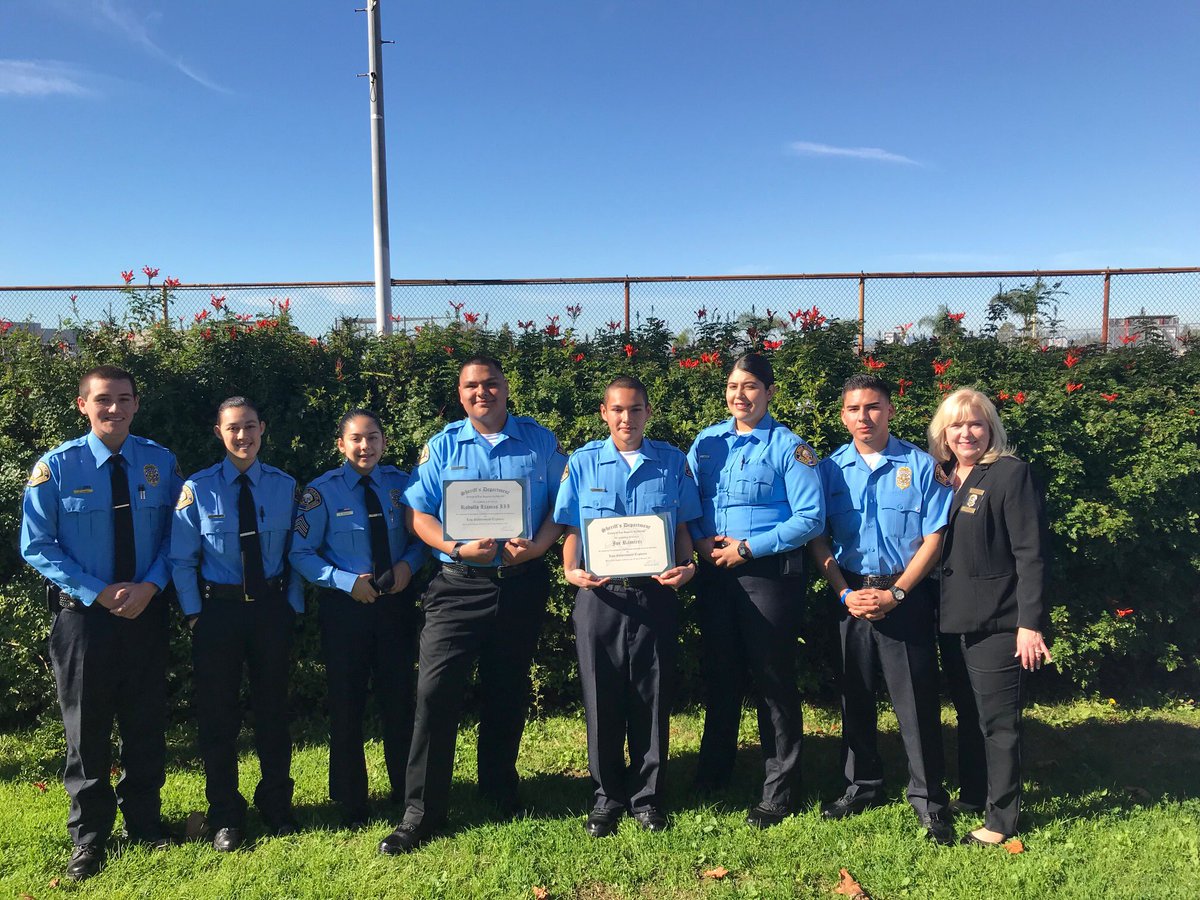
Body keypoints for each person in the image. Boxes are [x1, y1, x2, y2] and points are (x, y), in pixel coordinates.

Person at [379, 356, 567, 854]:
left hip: (522, 581)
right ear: (460, 394)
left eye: (490, 384)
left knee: (507, 689)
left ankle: (499, 788)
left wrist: (543, 544)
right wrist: (456, 547)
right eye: (471, 386)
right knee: (435, 694)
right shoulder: (442, 445)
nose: (481, 393)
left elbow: (561, 506)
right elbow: (417, 514)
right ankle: (421, 812)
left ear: (507, 388)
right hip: (458, 585)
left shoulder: (539, 440)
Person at [20, 365, 182, 880]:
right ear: (82, 405)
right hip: (83, 620)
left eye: (124, 399)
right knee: (86, 730)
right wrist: (98, 591)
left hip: (145, 611)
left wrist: (150, 586)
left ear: (136, 404)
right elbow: (36, 544)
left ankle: (145, 824)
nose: (115, 408)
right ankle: (89, 837)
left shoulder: (160, 462)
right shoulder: (58, 467)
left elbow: (174, 537)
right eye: (104, 400)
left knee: (145, 722)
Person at [808, 374, 956, 845]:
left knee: (914, 702)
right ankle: (861, 786)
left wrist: (898, 594)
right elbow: (817, 536)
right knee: (855, 695)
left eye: (873, 407)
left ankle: (930, 801)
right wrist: (842, 593)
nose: (863, 417)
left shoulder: (922, 466)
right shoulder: (829, 470)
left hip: (903, 596)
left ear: (890, 410)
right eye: (854, 409)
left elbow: (935, 537)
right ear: (843, 416)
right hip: (850, 596)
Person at [555, 376, 699, 837]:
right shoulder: (582, 463)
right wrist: (569, 569)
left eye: (635, 409)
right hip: (599, 594)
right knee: (601, 696)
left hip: (654, 592)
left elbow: (681, 527)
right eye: (617, 410)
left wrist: (689, 565)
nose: (626, 418)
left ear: (648, 412)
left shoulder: (672, 463)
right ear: (604, 413)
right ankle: (606, 797)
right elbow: (573, 526)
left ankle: (647, 797)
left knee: (651, 695)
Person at [687, 353, 825, 828]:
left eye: (749, 386)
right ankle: (713, 774)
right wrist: (702, 543)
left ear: (768, 392)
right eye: (732, 386)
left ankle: (781, 788)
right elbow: (689, 504)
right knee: (721, 676)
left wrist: (747, 549)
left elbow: (810, 518)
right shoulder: (705, 444)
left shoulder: (790, 448)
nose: (739, 395)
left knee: (772, 680)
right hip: (714, 574)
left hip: (768, 577)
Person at [170, 397, 305, 851]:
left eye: (250, 427)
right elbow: (182, 560)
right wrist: (193, 614)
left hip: (269, 610)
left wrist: (292, 608)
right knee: (218, 719)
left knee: (273, 713)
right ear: (218, 433)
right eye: (233, 429)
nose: (242, 436)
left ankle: (277, 805)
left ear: (263, 428)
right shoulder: (198, 489)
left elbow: (295, 555)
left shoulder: (285, 486)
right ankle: (226, 813)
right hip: (218, 614)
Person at [289, 409, 427, 828]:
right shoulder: (321, 492)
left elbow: (421, 537)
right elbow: (299, 553)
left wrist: (408, 565)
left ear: (384, 441)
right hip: (346, 608)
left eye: (372, 438)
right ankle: (350, 800)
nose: (364, 446)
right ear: (341, 445)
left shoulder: (404, 485)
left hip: (395, 606)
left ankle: (408, 791)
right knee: (346, 703)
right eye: (355, 439)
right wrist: (344, 581)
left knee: (400, 700)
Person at [928, 388, 1051, 846]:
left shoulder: (1009, 474)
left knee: (999, 723)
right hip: (952, 617)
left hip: (999, 620)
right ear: (943, 432)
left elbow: (1031, 554)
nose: (966, 432)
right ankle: (976, 791)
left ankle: (1001, 821)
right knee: (969, 713)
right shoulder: (942, 476)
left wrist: (1030, 623)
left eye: (975, 423)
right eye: (956, 425)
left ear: (990, 428)